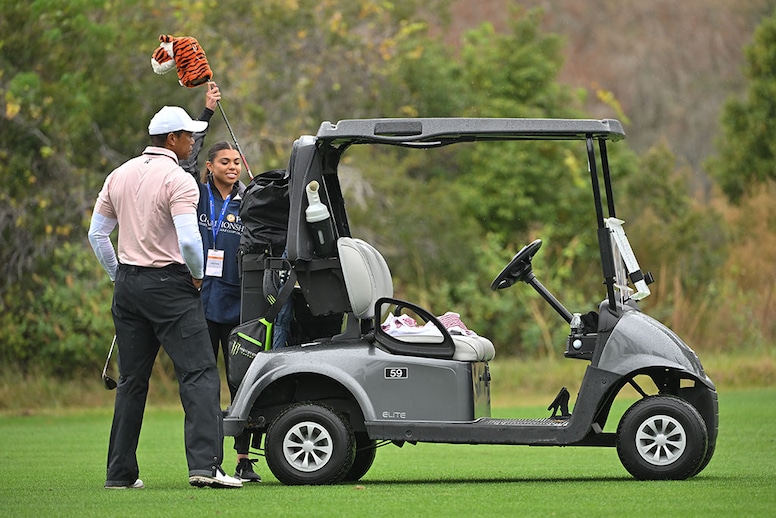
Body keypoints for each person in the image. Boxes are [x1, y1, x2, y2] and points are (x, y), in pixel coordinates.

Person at [87, 105, 243, 490]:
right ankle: (206, 467)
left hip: (128, 286)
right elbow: (190, 240)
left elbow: (97, 235)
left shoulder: (119, 174)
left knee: (132, 381)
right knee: (201, 373)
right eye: (189, 135)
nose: (192, 141)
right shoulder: (179, 180)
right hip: (171, 285)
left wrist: (118, 276)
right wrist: (197, 276)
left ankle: (119, 474)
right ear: (172, 139)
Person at [197, 140, 262, 482]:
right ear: (210, 166)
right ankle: (208, 461)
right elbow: (187, 155)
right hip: (201, 305)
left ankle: (243, 459)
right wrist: (206, 110)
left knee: (241, 382)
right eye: (224, 161)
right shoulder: (195, 195)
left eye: (237, 161)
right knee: (205, 386)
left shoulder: (248, 199)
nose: (232, 167)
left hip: (238, 307)